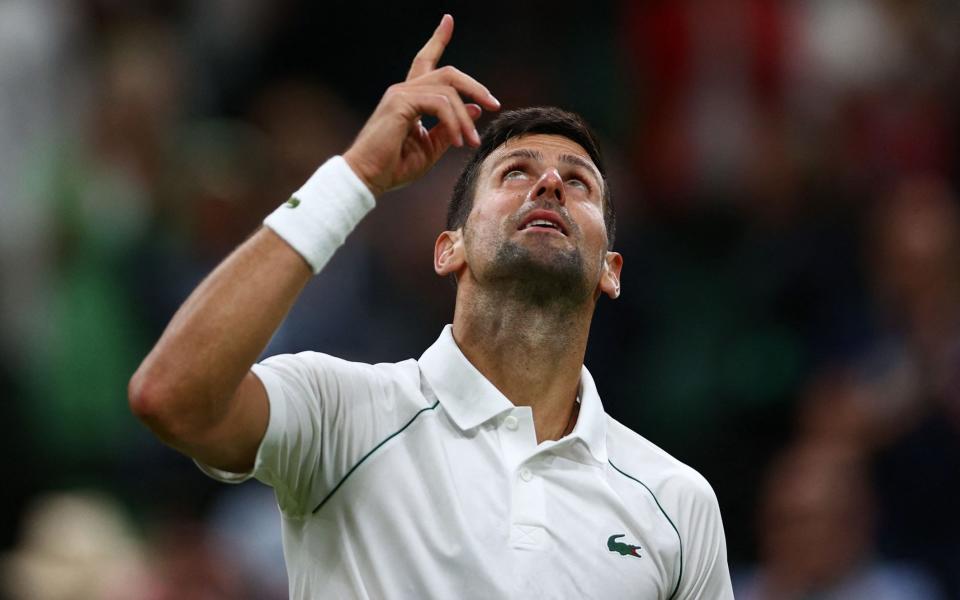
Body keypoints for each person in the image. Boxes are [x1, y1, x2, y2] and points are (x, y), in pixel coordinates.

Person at [129, 14, 733, 599]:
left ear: (611, 270)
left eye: (578, 183)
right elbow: (172, 397)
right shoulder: (342, 412)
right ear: (449, 250)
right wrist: (357, 175)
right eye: (515, 172)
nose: (549, 185)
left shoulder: (678, 502)